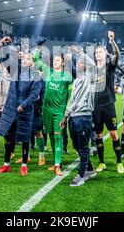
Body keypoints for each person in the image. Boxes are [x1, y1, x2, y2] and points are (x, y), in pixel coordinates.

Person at [0, 51, 42, 176]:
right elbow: (7, 60)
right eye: (24, 57)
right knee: (8, 137)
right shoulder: (17, 71)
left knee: (25, 138)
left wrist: (23, 105)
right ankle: (6, 165)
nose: (26, 59)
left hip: (25, 111)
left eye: (29, 58)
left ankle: (24, 165)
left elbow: (34, 95)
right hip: (11, 109)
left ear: (33, 61)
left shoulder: (36, 76)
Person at [33, 45, 73, 176]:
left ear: (62, 63)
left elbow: (71, 97)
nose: (55, 62)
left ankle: (57, 166)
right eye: (54, 60)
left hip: (59, 112)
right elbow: (35, 58)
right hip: (46, 110)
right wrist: (38, 47)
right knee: (50, 136)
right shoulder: (48, 71)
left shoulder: (67, 76)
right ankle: (57, 162)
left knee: (57, 136)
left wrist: (66, 114)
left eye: (57, 60)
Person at [60, 46, 97, 186]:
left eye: (82, 62)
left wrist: (79, 52)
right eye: (79, 62)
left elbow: (93, 65)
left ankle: (81, 175)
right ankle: (90, 169)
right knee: (76, 145)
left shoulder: (90, 77)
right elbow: (72, 100)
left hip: (84, 116)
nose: (80, 64)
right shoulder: (76, 81)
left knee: (83, 146)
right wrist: (65, 116)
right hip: (73, 117)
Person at [92, 31, 124, 173]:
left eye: (100, 52)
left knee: (113, 134)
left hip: (108, 105)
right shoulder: (91, 69)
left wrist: (112, 41)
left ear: (105, 53)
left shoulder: (110, 66)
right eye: (96, 52)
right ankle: (101, 162)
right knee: (98, 135)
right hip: (95, 107)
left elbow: (117, 55)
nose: (98, 54)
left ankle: (119, 161)